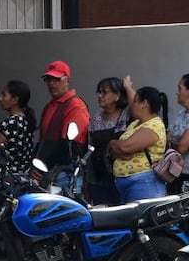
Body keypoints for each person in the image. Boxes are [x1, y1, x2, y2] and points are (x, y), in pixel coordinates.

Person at [36, 60, 90, 195]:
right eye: (48, 79)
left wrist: (41, 167)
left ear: (67, 80)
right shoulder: (50, 106)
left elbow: (69, 144)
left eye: (56, 79)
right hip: (48, 173)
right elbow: (43, 142)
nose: (51, 83)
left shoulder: (75, 105)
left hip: (65, 173)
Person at [106, 86, 168, 203]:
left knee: (142, 219)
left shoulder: (155, 125)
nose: (131, 105)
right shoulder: (135, 123)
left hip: (144, 183)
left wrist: (114, 143)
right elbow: (113, 152)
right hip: (127, 183)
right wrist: (118, 148)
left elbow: (125, 147)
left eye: (134, 101)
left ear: (144, 103)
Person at [86, 76, 132, 205]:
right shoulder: (96, 119)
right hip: (100, 175)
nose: (100, 96)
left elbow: (137, 106)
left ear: (117, 95)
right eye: (98, 92)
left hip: (123, 175)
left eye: (104, 92)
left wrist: (128, 88)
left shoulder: (127, 115)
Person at [0, 79, 37, 175]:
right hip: (22, 178)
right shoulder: (27, 121)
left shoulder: (10, 124)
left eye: (4, 95)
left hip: (5, 180)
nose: (0, 98)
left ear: (15, 100)